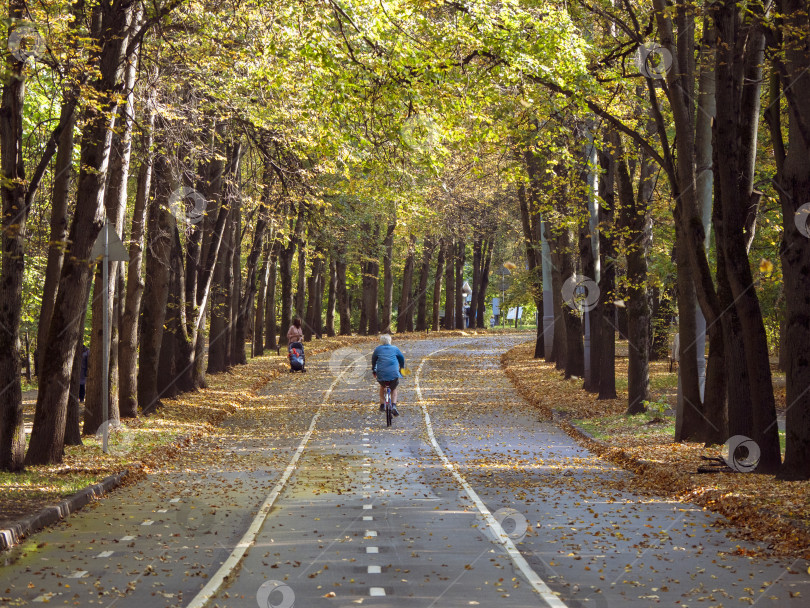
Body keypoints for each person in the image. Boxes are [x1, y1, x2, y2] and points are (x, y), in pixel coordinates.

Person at [371, 334, 405, 416]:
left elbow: (373, 361)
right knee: (394, 389)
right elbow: (402, 359)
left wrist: (374, 371)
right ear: (390, 340)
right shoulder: (395, 348)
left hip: (381, 373)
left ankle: (382, 405)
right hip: (393, 374)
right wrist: (402, 368)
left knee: (382, 387)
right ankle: (393, 406)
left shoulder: (377, 349)